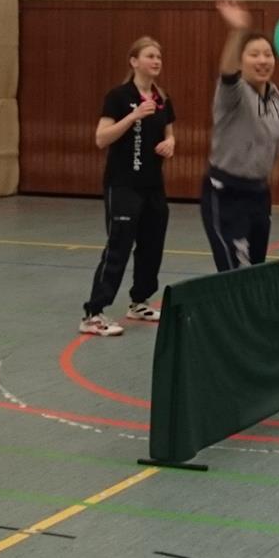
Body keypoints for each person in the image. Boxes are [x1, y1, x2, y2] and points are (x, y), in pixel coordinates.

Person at [201, 0, 279, 271]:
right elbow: (227, 71)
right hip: (225, 192)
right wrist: (237, 31)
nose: (263, 60)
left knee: (256, 267)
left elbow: (278, 123)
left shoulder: (273, 92)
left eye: (267, 54)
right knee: (236, 270)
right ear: (241, 60)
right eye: (254, 54)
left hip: (258, 192)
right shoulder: (232, 93)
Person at [82, 37, 176, 336]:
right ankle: (93, 313)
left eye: (159, 56)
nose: (156, 61)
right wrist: (133, 116)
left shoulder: (162, 98)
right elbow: (101, 138)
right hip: (123, 185)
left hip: (153, 185)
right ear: (134, 61)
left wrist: (170, 144)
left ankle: (139, 301)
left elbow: (170, 134)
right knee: (119, 246)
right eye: (150, 56)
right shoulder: (118, 96)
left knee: (152, 245)